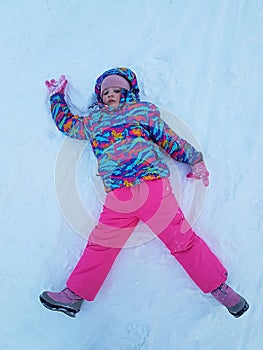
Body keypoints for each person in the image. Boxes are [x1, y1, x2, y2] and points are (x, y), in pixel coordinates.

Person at [39, 67, 249, 318]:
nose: (111, 95)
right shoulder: (94, 122)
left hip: (152, 188)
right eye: (106, 92)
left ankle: (220, 289)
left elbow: (170, 140)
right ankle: (74, 296)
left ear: (128, 92)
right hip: (118, 196)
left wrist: (195, 159)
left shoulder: (143, 112)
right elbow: (68, 125)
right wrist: (56, 97)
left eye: (117, 90)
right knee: (101, 245)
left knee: (181, 240)